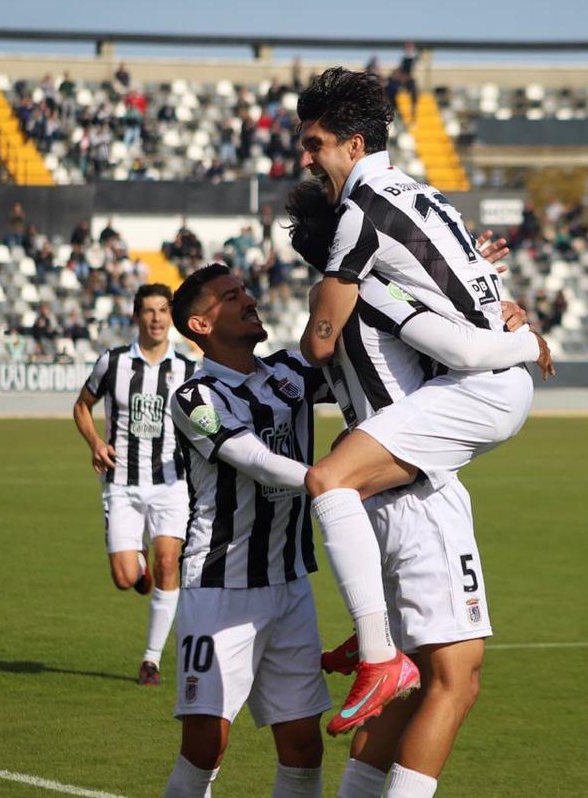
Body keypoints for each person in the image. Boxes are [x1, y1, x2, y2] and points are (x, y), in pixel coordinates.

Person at [295, 66, 553, 736]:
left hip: (482, 381)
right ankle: (375, 636)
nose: (306, 159)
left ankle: (378, 651)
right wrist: (505, 309)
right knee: (342, 474)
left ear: (354, 145)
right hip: (485, 377)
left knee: (331, 479)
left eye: (315, 144)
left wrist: (523, 342)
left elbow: (321, 345)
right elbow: (464, 286)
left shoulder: (359, 217)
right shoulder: (423, 195)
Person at [162, 263, 333, 797]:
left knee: (304, 746)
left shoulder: (289, 371)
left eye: (244, 291)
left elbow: (357, 356)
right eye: (231, 297)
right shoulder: (196, 398)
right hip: (220, 588)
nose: (249, 300)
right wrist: (323, 479)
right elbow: (254, 460)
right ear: (201, 325)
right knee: (205, 745)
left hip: (290, 585)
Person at [73, 284, 196, 686]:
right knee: (126, 578)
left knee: (169, 563)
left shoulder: (189, 370)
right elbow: (82, 406)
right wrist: (95, 443)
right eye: (149, 311)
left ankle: (151, 660)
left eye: (163, 310)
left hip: (171, 483)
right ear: (137, 316)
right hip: (122, 483)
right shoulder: (113, 363)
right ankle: (138, 562)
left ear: (171, 317)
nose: (157, 318)